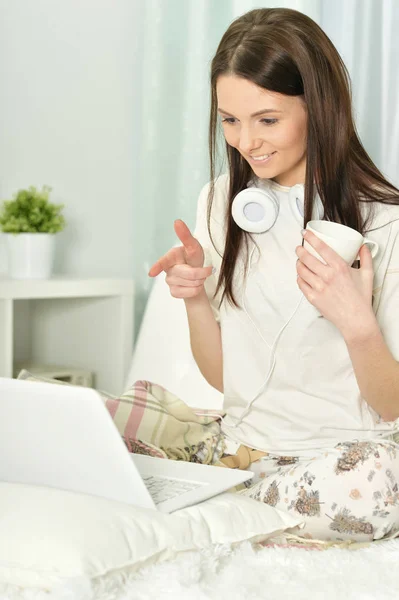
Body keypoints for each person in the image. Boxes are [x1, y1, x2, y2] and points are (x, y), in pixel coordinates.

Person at [148, 8, 399, 542]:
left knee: (380, 483)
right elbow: (224, 380)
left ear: (320, 108)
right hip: (238, 448)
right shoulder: (222, 203)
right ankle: (224, 495)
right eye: (229, 120)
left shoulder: (386, 221)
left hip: (333, 462)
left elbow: (393, 405)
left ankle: (213, 503)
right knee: (92, 419)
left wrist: (356, 323)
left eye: (267, 120)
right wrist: (195, 298)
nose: (246, 142)